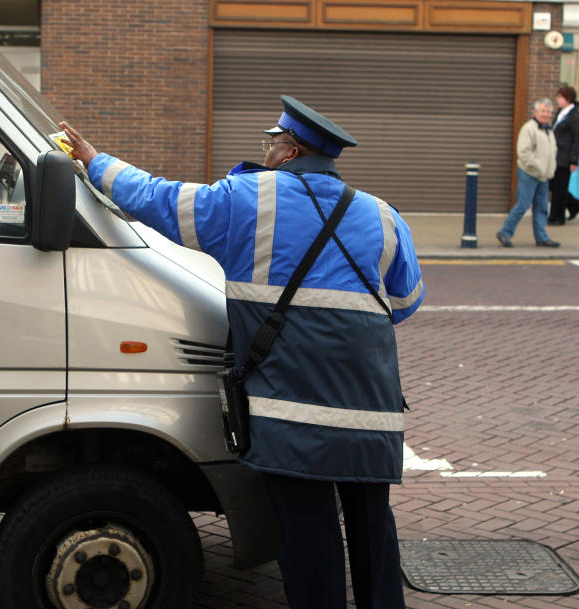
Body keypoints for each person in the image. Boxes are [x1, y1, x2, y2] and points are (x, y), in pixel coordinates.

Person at [60, 95, 424, 609]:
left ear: (291, 152)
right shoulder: (383, 216)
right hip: (370, 416)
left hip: (293, 416)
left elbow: (160, 200)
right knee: (373, 534)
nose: (266, 151)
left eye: (270, 143)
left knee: (309, 540)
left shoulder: (246, 200)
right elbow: (405, 301)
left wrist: (95, 161)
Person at [496, 99, 560, 247]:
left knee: (542, 207)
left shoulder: (549, 130)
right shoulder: (529, 129)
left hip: (544, 176)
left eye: (549, 112)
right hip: (529, 174)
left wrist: (549, 170)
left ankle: (541, 237)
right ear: (536, 112)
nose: (546, 114)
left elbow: (552, 152)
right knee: (523, 205)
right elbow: (524, 153)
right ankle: (505, 232)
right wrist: (538, 167)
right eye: (543, 111)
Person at [548, 85, 579, 225]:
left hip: (565, 157)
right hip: (555, 156)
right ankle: (575, 205)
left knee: (560, 189)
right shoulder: (561, 112)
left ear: (568, 99)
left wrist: (574, 160)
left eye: (560, 97)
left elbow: (577, 138)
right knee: (553, 185)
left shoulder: (574, 116)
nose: (558, 100)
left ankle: (557, 217)